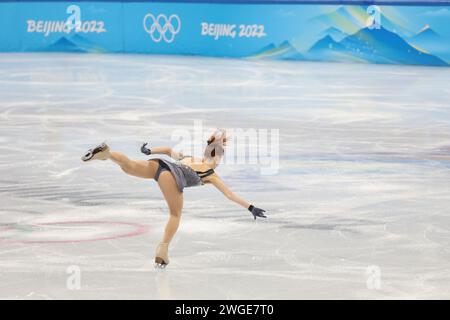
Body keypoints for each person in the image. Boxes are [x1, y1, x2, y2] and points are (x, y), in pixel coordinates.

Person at [81, 129, 267, 267]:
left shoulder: (189, 157)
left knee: (128, 166)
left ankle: (107, 154)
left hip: (159, 165)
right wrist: (250, 207)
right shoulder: (211, 174)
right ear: (217, 158)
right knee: (175, 215)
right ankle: (162, 251)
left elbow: (169, 151)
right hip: (171, 175)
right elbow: (230, 194)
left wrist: (150, 152)